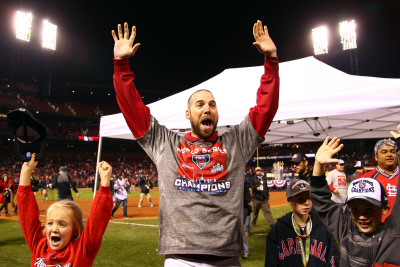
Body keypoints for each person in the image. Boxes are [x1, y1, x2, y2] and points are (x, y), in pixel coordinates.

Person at [112, 19, 279, 265]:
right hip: (181, 259)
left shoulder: (235, 144)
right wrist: (121, 65)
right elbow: (133, 110)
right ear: (188, 114)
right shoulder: (167, 145)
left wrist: (271, 61)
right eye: (199, 105)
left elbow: (266, 109)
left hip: (226, 258)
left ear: (217, 113)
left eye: (212, 105)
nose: (207, 109)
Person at [310, 132, 400, 267]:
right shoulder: (346, 230)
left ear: (385, 208)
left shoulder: (394, 230)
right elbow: (320, 201)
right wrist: (318, 164)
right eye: (356, 209)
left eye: (369, 208)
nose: (362, 216)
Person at [17, 153, 113, 266]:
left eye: (62, 224)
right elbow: (27, 214)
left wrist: (105, 181)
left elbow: (97, 220)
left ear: (75, 230)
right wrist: (26, 171)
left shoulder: (82, 249)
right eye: (50, 223)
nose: (54, 229)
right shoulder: (39, 244)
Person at [266, 178, 338, 266]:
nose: (307, 203)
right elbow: (271, 261)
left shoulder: (321, 226)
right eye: (301, 199)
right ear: (290, 200)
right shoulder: (279, 229)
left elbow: (331, 257)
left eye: (309, 198)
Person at [362, 138, 398, 221]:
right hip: (380, 229)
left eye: (393, 152)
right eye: (384, 152)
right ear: (376, 157)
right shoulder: (366, 179)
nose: (389, 154)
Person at [242, 174, 252, 259]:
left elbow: (249, 198)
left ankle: (245, 251)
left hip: (243, 207)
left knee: (239, 229)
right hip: (235, 208)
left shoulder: (244, 181)